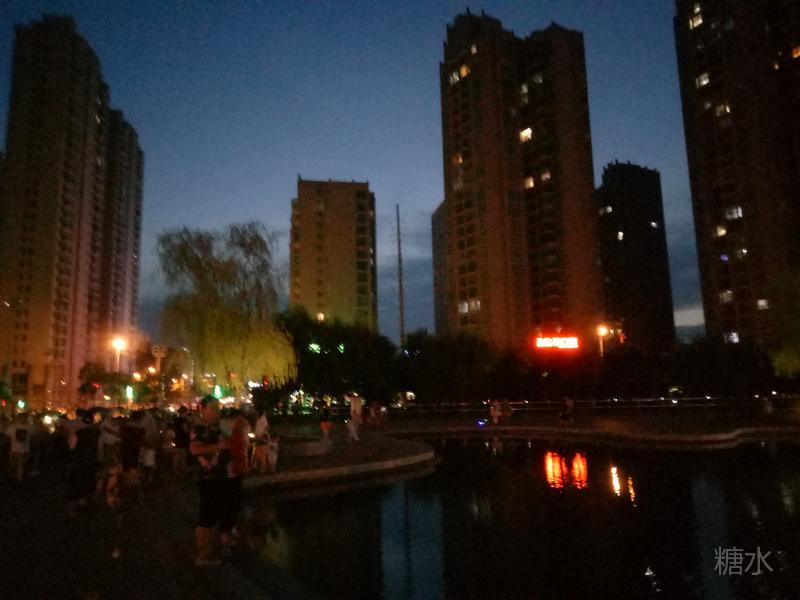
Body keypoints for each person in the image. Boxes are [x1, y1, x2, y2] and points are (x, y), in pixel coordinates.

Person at [190, 395, 235, 566]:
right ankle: (203, 556)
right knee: (206, 516)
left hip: (220, 477)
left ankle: (207, 551)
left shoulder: (218, 428)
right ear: (203, 409)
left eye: (218, 407)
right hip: (208, 477)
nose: (217, 411)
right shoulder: (200, 428)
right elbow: (194, 449)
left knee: (212, 514)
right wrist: (219, 447)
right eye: (213, 408)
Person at [65, 411, 101, 514]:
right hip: (91, 460)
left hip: (80, 460)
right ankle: (85, 502)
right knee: (89, 480)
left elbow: (72, 447)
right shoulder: (97, 433)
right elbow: (99, 447)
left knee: (77, 481)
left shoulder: (78, 433)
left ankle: (75, 504)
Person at [5, 414, 31, 482]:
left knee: (19, 465)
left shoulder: (13, 427)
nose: (23, 419)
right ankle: (18, 478)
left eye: (24, 418)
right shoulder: (13, 427)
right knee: (17, 465)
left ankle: (19, 479)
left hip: (21, 449)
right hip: (18, 449)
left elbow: (7, 437)